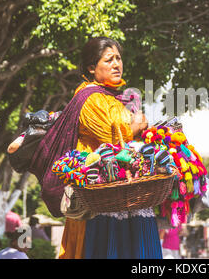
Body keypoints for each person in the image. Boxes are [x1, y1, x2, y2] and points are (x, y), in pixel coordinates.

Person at [58, 37, 161, 259]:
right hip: (99, 198)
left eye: (119, 58)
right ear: (91, 67)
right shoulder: (90, 98)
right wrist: (138, 125)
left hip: (119, 192)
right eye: (109, 59)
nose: (117, 64)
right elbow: (110, 141)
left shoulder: (111, 97)